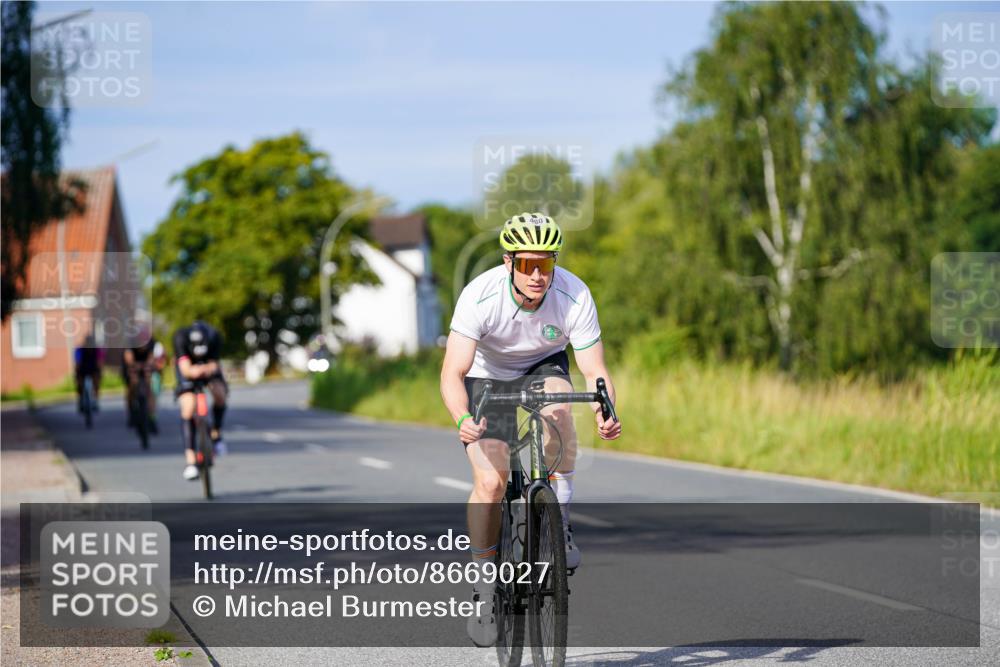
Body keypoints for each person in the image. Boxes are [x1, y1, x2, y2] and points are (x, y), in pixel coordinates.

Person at [439, 212, 622, 646]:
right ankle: (485, 591)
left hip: (543, 365)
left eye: (546, 263)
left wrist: (606, 409)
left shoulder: (574, 293)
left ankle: (561, 521)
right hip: (487, 376)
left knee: (560, 405)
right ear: (509, 263)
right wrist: (463, 418)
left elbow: (594, 369)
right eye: (527, 265)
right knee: (490, 481)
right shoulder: (480, 295)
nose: (538, 275)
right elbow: (452, 371)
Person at [173, 321, 228, 481]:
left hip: (207, 367)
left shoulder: (214, 336)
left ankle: (216, 433)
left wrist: (206, 369)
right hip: (188, 369)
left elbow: (215, 364)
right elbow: (185, 369)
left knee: (220, 394)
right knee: (189, 405)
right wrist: (193, 371)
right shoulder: (181, 337)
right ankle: (190, 461)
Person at [122, 328, 168, 433]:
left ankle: (151, 418)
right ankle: (131, 411)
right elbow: (129, 359)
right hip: (133, 365)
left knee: (150, 390)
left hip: (146, 365)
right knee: (132, 384)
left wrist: (150, 367)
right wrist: (134, 367)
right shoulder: (131, 343)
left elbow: (154, 359)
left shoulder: (153, 343)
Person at [74, 334, 105, 412]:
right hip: (83, 370)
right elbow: (78, 362)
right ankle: (81, 400)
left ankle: (95, 400)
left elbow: (100, 361)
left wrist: (100, 370)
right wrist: (77, 371)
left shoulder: (97, 350)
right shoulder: (80, 349)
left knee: (96, 383)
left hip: (93, 370)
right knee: (79, 384)